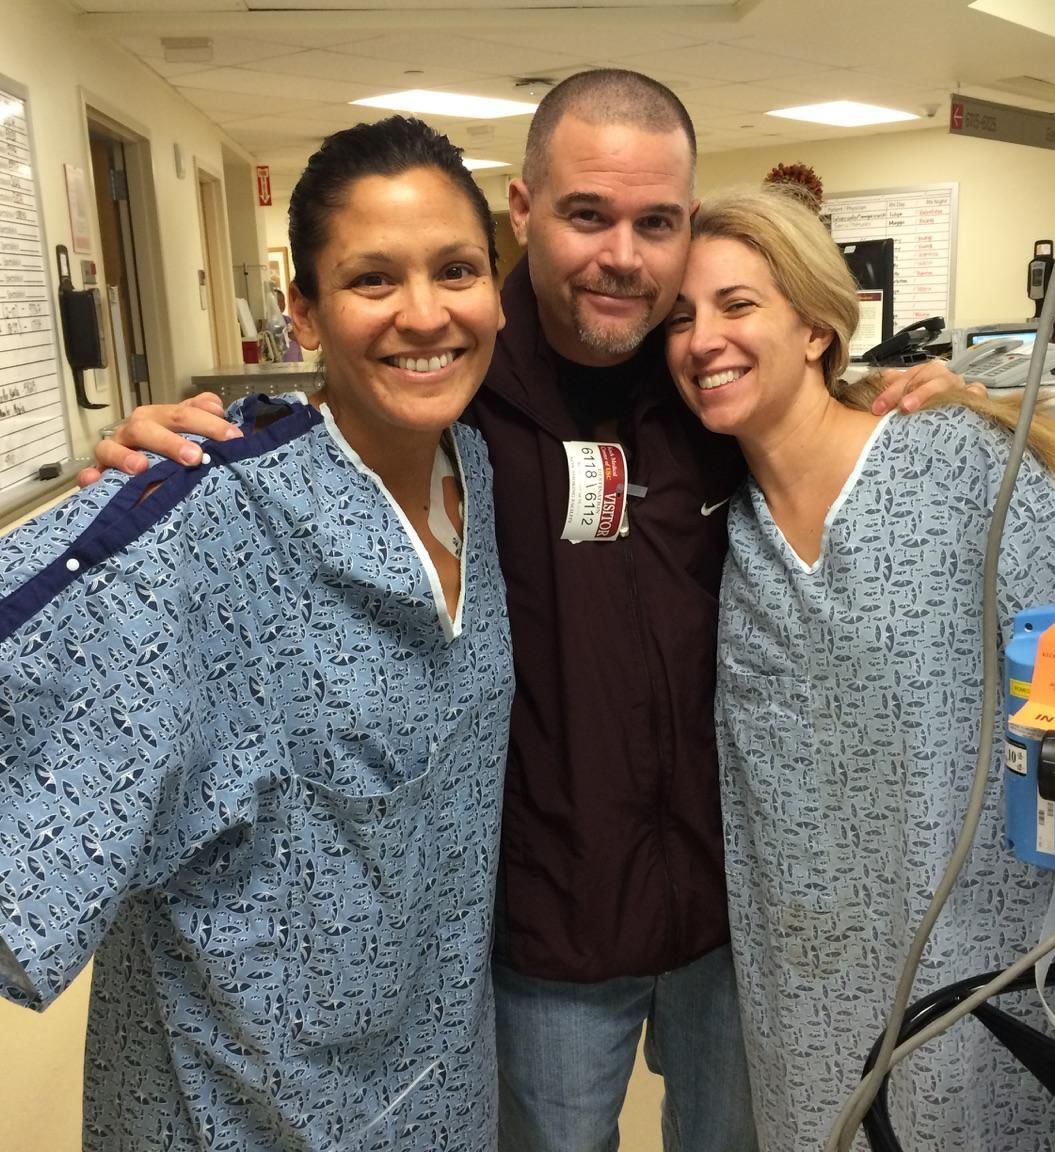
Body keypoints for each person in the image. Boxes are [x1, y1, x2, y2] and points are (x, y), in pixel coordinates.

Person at [81, 70, 968, 1152]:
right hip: (549, 932)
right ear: (526, 212)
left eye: (658, 224)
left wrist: (923, 397)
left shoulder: (703, 386)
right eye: (589, 215)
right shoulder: (459, 392)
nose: (624, 257)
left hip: (735, 915)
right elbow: (338, 430)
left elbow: (815, 427)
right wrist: (177, 450)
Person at [0, 116, 512, 1152]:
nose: (425, 313)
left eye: (456, 269)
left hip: (438, 1084)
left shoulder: (479, 474)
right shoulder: (201, 525)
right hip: (231, 1109)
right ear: (305, 312)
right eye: (373, 279)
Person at [664, 184, 1055, 1150]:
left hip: (987, 959)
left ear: (816, 327)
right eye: (678, 318)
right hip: (806, 978)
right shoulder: (723, 523)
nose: (702, 338)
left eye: (737, 304)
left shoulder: (956, 463)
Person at [273, 286, 305, 361]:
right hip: (284, 360)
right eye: (278, 301)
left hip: (296, 358)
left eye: (282, 301)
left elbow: (299, 336)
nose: (281, 304)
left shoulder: (288, 319)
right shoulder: (272, 322)